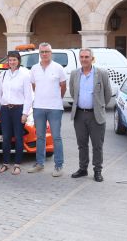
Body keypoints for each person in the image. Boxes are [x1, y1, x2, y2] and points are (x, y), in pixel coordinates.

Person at [69, 48, 112, 182]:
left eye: (86, 57)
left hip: (96, 115)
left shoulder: (101, 73)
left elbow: (108, 94)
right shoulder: (75, 74)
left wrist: (99, 106)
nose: (84, 59)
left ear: (92, 58)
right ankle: (83, 169)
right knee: (82, 144)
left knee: (97, 145)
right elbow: (72, 91)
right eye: (81, 57)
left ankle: (97, 170)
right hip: (80, 115)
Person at [28, 43, 67, 177]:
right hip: (38, 107)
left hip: (55, 108)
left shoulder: (58, 68)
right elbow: (34, 86)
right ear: (39, 53)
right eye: (42, 52)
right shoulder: (34, 68)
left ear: (51, 53)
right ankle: (40, 164)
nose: (44, 54)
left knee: (56, 137)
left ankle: (58, 166)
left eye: (47, 52)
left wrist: (56, 98)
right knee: (40, 137)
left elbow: (63, 86)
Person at [0, 51, 33, 175]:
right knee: (5, 137)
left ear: (18, 61)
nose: (12, 62)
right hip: (5, 109)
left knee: (18, 137)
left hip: (18, 109)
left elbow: (28, 96)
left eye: (14, 60)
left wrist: (25, 113)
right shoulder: (4, 74)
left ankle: (17, 164)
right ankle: (5, 163)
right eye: (10, 60)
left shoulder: (24, 75)